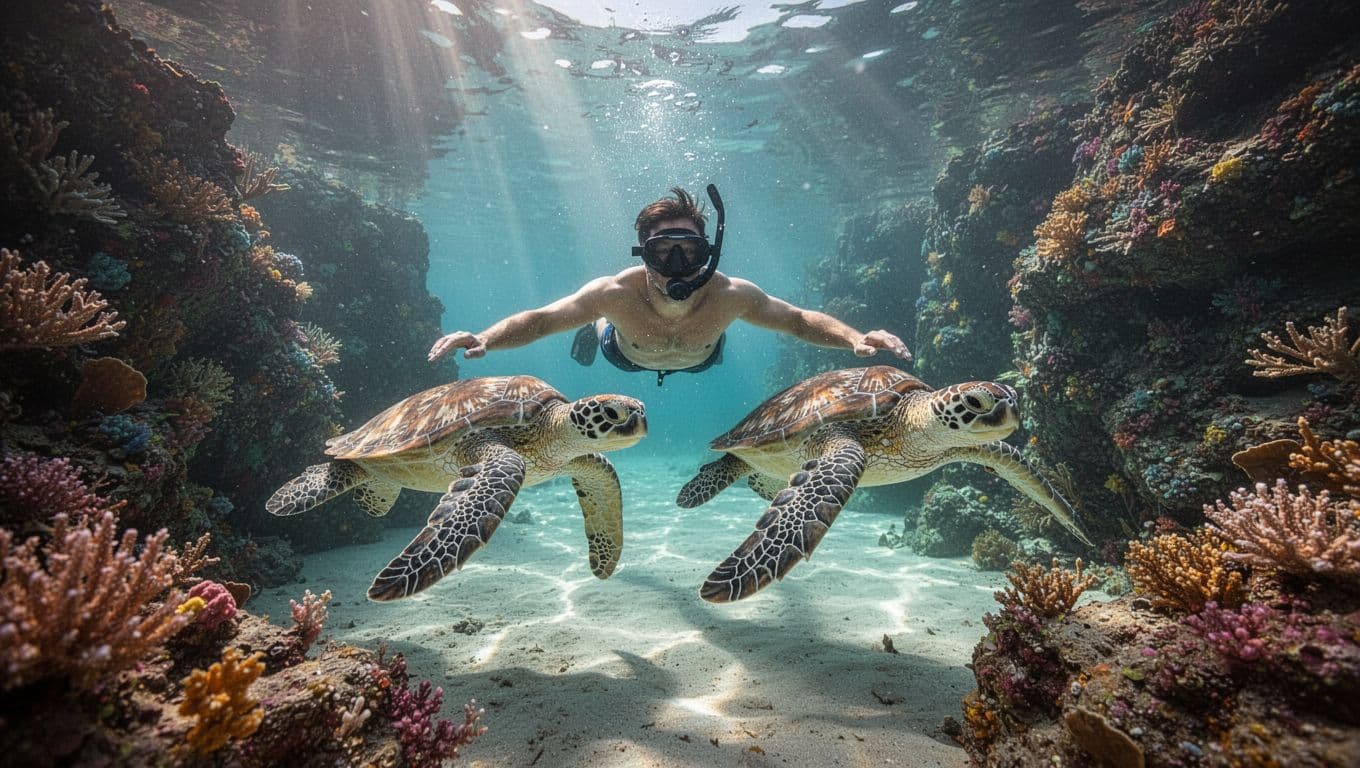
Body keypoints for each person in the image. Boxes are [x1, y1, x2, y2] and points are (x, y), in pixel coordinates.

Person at [428, 185, 911, 385]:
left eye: (690, 251)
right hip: (623, 354)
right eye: (663, 252)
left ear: (709, 251)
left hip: (701, 359)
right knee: (589, 315)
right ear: (643, 253)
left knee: (716, 339)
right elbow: (543, 319)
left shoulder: (732, 295)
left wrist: (854, 337)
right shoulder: (613, 293)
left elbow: (797, 319)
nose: (677, 267)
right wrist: (486, 337)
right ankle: (594, 325)